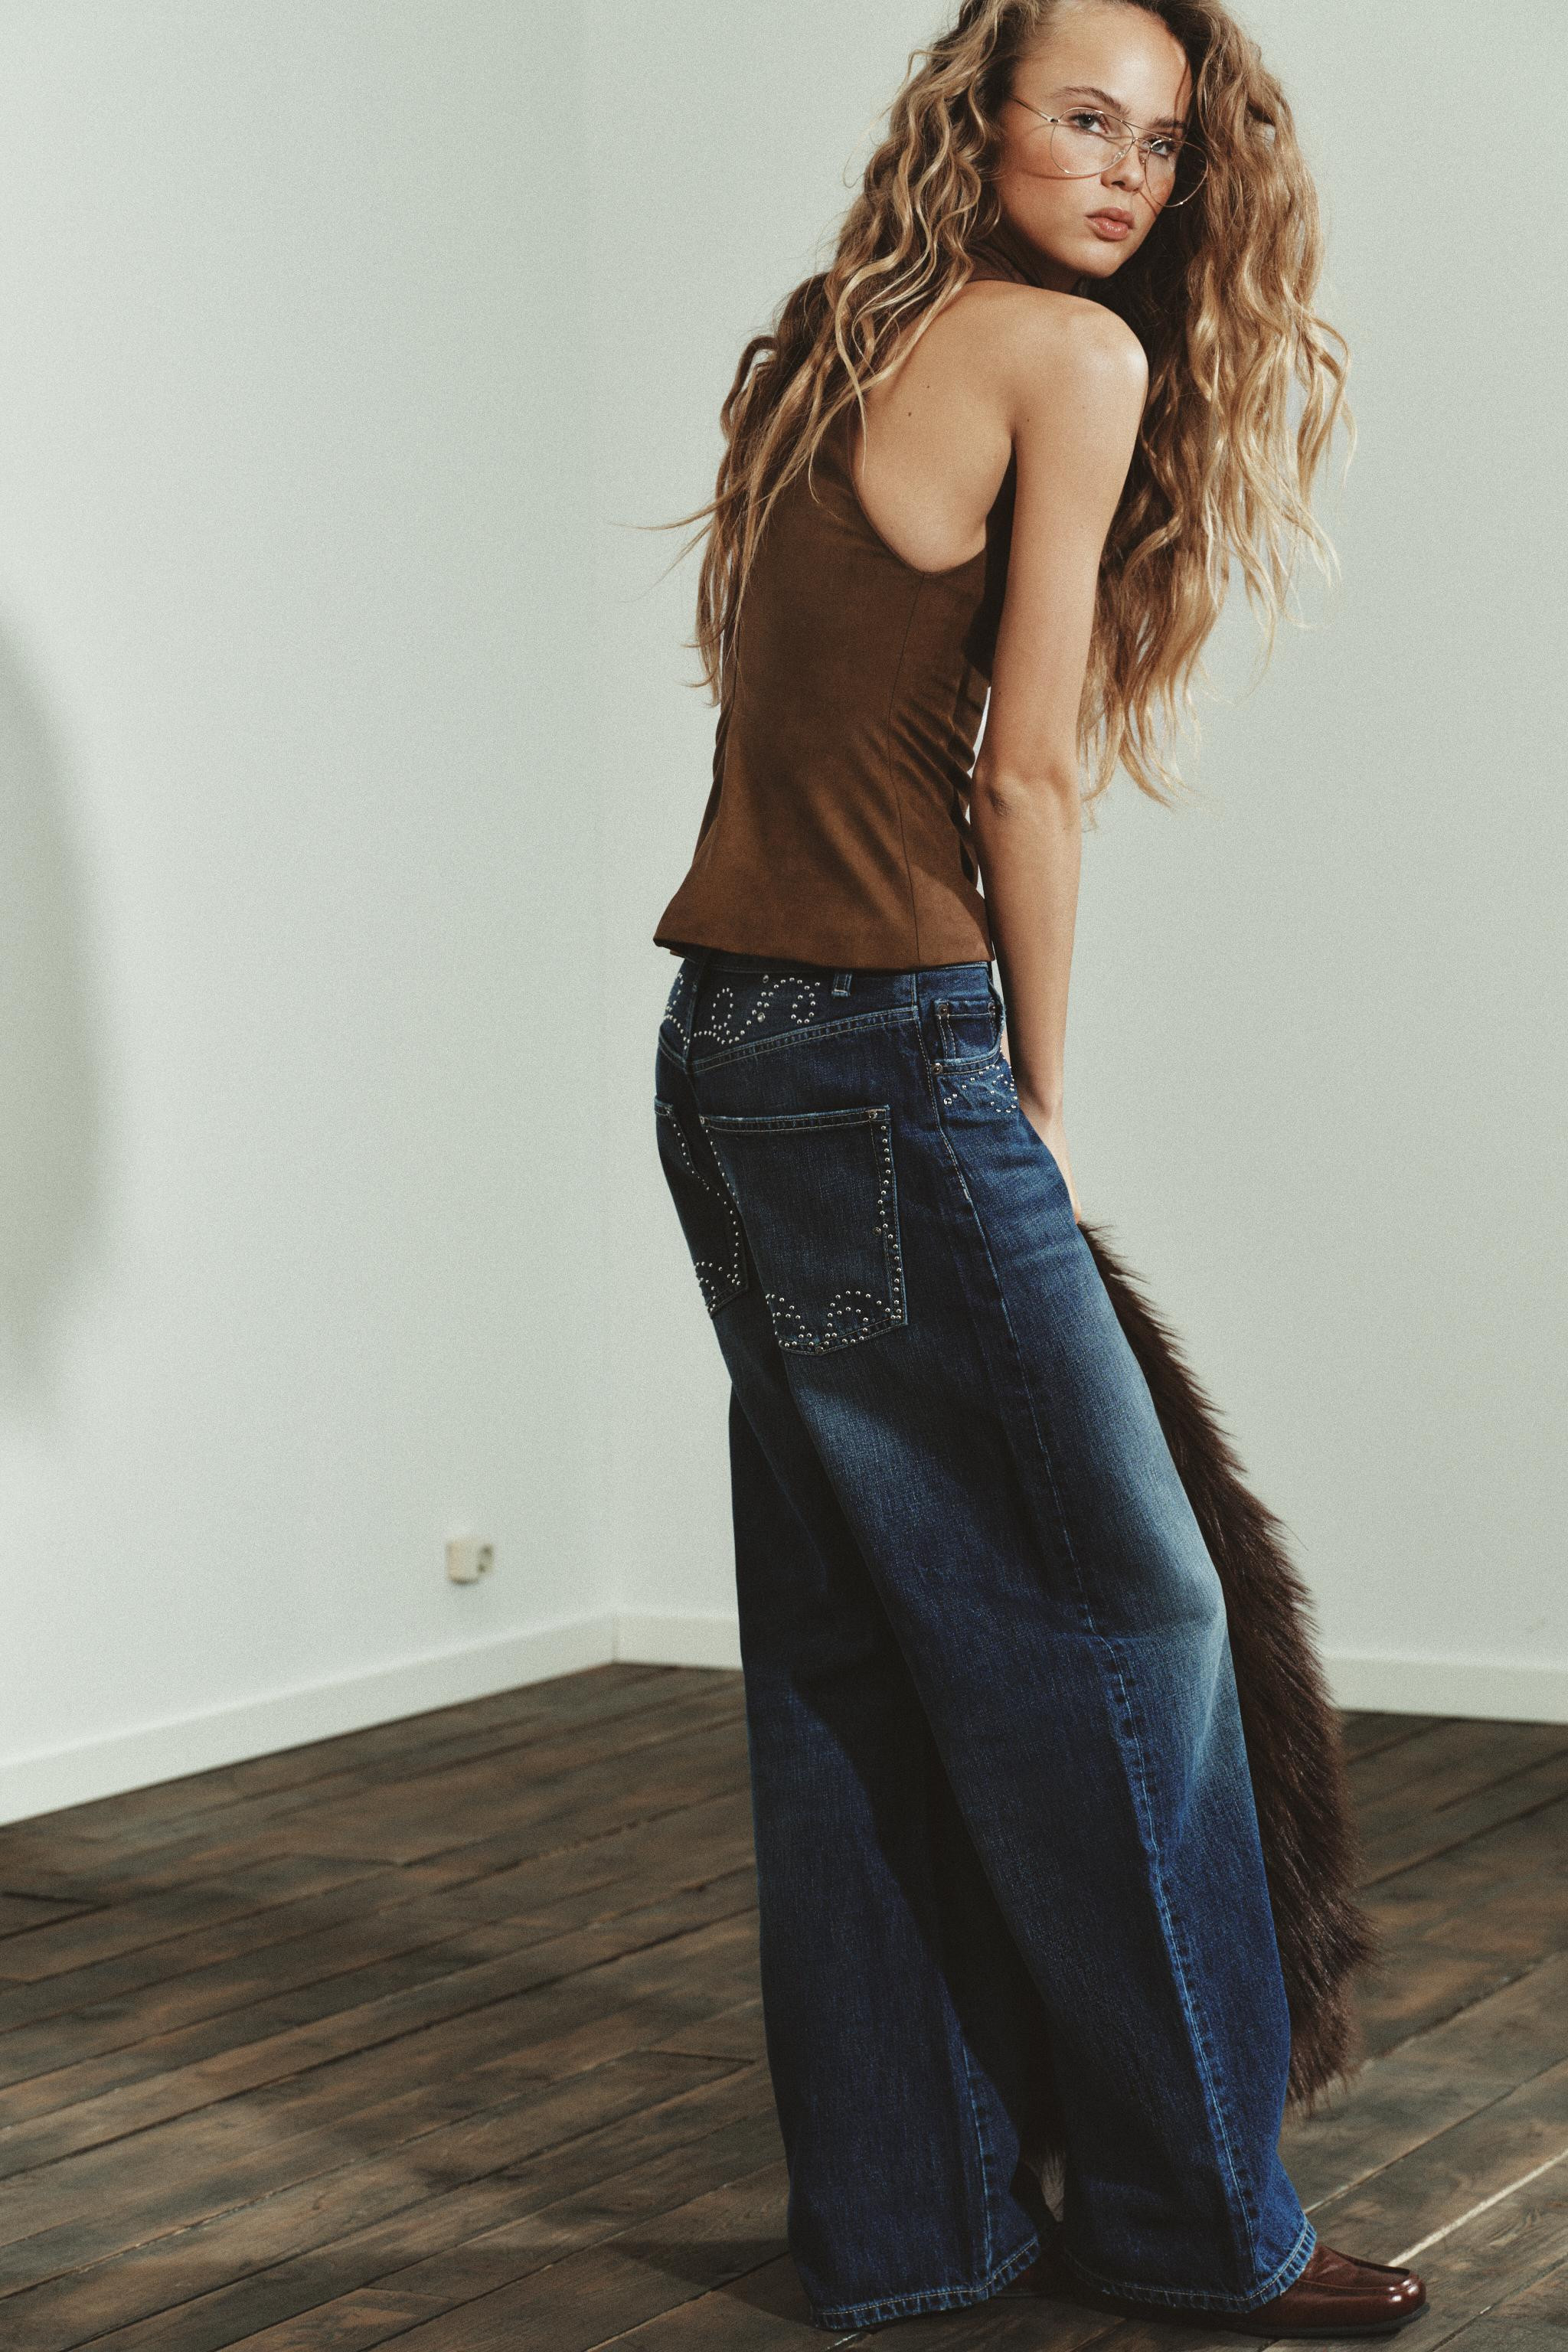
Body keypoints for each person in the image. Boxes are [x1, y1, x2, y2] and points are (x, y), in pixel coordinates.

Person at [648, 1, 1426, 2337]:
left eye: (1164, 145)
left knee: (855, 1661)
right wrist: (1035, 1097)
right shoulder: (1067, 356)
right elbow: (1027, 774)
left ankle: (918, 2235)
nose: (1127, 174)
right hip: (893, 1055)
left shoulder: (829, 339)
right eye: (1085, 119)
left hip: (723, 1058)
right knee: (1130, 1623)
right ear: (981, 122)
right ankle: (1201, 2233)